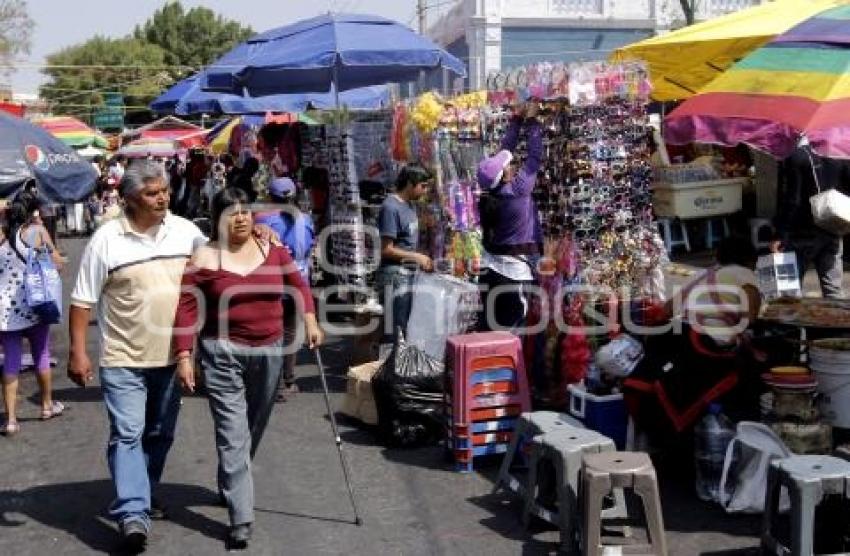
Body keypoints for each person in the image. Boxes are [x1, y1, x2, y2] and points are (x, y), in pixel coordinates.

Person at [67, 160, 207, 552]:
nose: (162, 197)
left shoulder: (185, 231)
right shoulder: (106, 239)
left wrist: (258, 233)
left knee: (159, 433)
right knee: (128, 433)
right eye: (151, 193)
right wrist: (78, 353)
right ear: (129, 198)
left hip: (174, 357)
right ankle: (132, 512)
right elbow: (81, 302)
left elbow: (221, 258)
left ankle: (142, 490)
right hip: (123, 357)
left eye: (163, 190)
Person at [173, 187, 322, 550]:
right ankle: (241, 517)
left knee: (255, 422)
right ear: (218, 217)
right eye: (231, 212)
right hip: (222, 351)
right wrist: (184, 355)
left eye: (245, 211)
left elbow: (298, 285)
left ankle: (231, 478)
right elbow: (186, 308)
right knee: (232, 431)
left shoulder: (271, 247)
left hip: (270, 349)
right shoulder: (204, 257)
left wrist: (311, 321)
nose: (240, 217)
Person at [0, 195, 65, 436]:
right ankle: (47, 406)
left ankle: (11, 420)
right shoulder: (37, 231)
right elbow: (57, 263)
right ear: (34, 212)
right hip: (34, 304)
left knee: (11, 362)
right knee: (41, 353)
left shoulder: (1, 235)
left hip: (6, 311)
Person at [476, 102, 543, 332]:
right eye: (508, 166)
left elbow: (506, 150)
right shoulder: (517, 190)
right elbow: (534, 157)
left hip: (490, 271)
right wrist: (532, 122)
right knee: (512, 335)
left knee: (490, 328)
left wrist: (516, 120)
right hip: (513, 276)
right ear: (504, 176)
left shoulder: (488, 194)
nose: (511, 165)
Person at [254, 177, 315, 402]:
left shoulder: (262, 220)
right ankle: (287, 379)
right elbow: (310, 247)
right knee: (290, 332)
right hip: (299, 282)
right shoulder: (306, 219)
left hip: (273, 283)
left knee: (272, 333)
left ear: (270, 196)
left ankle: (275, 382)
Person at [770, 147, 845, 298]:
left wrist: (780, 234)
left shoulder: (796, 156)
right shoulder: (839, 154)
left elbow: (793, 200)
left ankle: (789, 321)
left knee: (787, 292)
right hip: (832, 228)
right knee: (833, 290)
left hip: (802, 232)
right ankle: (838, 320)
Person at [377, 163, 434, 343]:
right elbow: (386, 249)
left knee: (404, 327)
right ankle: (391, 368)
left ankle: (398, 366)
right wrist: (416, 257)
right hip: (394, 277)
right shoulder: (390, 208)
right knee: (395, 329)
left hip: (407, 274)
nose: (424, 191)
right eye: (422, 186)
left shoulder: (409, 205)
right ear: (410, 183)